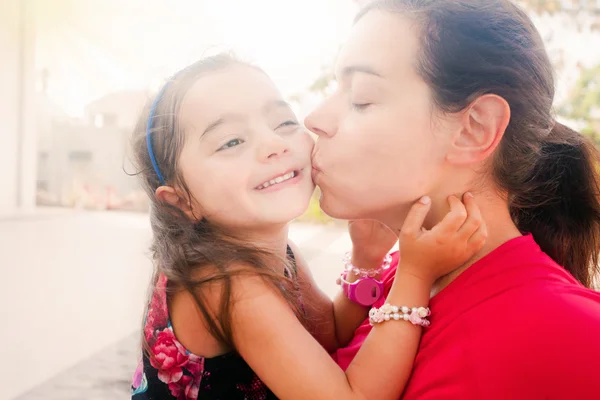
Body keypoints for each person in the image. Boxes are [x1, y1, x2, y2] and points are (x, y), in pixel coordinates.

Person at [129, 53, 487, 399]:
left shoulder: (273, 251)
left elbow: (328, 334)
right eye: (232, 141)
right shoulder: (228, 285)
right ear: (182, 202)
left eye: (284, 123)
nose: (273, 144)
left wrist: (365, 258)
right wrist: (415, 275)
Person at [305, 0, 600, 398]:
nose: (315, 119)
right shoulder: (407, 270)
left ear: (474, 129)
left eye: (361, 97)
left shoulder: (572, 334)